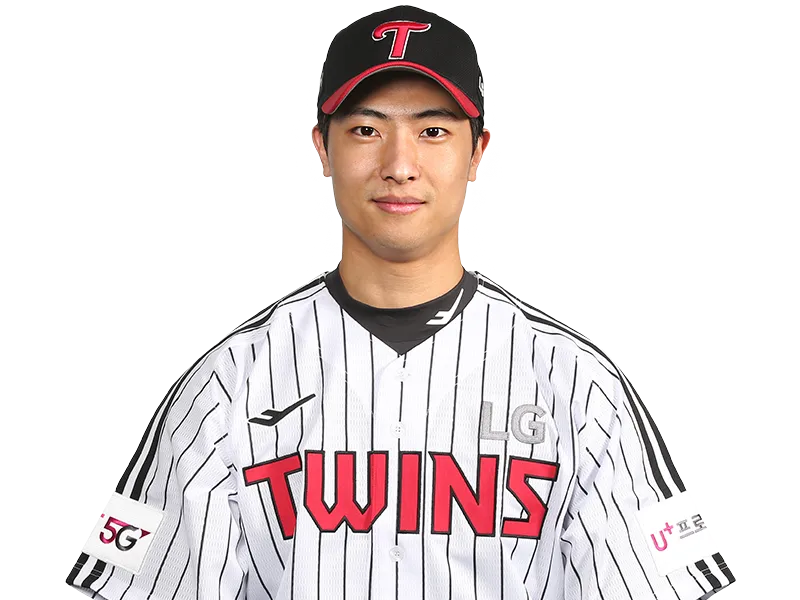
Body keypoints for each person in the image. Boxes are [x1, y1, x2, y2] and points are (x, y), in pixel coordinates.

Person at [66, 5, 733, 599]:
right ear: (321, 146)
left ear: (479, 151)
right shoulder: (230, 383)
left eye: (433, 131)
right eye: (366, 129)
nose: (399, 164)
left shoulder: (576, 382)